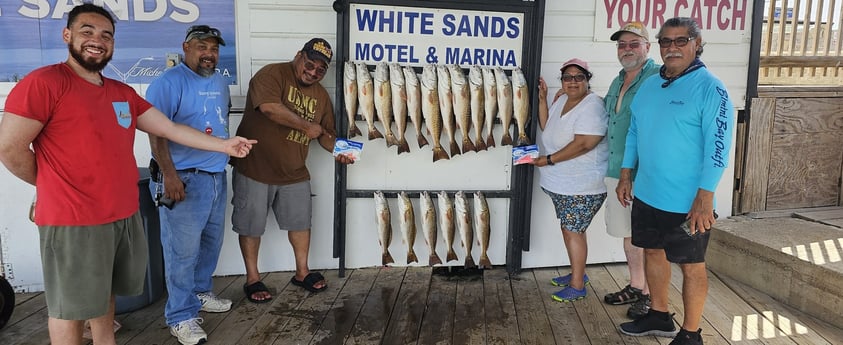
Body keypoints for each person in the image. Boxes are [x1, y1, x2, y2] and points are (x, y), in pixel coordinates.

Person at [0, 4, 255, 345]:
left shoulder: (121, 93)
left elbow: (168, 127)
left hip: (121, 214)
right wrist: (52, 185)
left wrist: (225, 147)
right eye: (87, 32)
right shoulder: (44, 83)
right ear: (67, 35)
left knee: (104, 297)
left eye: (106, 35)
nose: (97, 41)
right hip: (73, 221)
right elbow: (10, 149)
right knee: (69, 310)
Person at [616, 17, 734, 345]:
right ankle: (658, 314)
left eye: (681, 41)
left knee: (692, 266)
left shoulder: (711, 88)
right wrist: (626, 173)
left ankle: (691, 334)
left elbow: (719, 148)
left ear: (697, 44)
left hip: (688, 201)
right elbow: (635, 130)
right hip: (648, 194)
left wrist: (705, 196)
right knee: (652, 253)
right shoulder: (652, 83)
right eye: (666, 41)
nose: (673, 47)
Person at [231, 38, 353, 303]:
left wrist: (341, 151)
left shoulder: (321, 95)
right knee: (250, 226)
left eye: (321, 69)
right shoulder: (273, 74)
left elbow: (325, 134)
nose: (313, 72)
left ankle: (302, 272)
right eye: (310, 64)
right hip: (255, 167)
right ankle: (252, 278)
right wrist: (305, 126)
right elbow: (269, 108)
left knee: (300, 223)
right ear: (299, 56)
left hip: (295, 171)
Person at [145, 24, 233, 345]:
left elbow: (218, 123)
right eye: (202, 48)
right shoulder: (168, 82)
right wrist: (169, 174)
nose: (209, 54)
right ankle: (180, 316)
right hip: (182, 177)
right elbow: (156, 132)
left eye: (213, 48)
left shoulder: (220, 81)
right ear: (186, 48)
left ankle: (200, 292)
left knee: (210, 244)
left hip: (215, 177)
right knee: (181, 252)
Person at [533, 58, 609, 302]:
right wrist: (543, 100)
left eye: (579, 77)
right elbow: (547, 126)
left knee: (572, 231)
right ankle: (579, 273)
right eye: (568, 77)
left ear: (588, 80)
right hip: (563, 183)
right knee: (573, 229)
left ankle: (577, 286)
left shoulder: (592, 105)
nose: (573, 82)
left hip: (581, 185)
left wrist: (549, 159)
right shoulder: (562, 99)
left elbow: (585, 143)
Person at [602, 21, 661, 320]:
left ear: (648, 48)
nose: (627, 49)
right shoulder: (618, 79)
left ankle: (652, 296)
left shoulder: (657, 77)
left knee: (647, 238)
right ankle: (637, 286)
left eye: (634, 44)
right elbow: (608, 115)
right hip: (617, 169)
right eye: (622, 44)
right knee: (629, 236)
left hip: (643, 173)